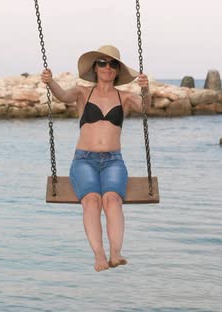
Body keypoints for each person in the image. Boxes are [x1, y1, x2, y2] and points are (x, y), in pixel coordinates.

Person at [41, 45, 151, 272]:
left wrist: (146, 89)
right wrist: (50, 81)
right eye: (102, 63)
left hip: (113, 160)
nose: (107, 68)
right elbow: (62, 96)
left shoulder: (126, 97)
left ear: (118, 71)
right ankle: (99, 256)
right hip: (84, 160)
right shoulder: (82, 93)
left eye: (112, 64)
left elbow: (146, 109)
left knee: (112, 200)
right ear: (95, 68)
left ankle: (116, 253)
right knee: (91, 201)